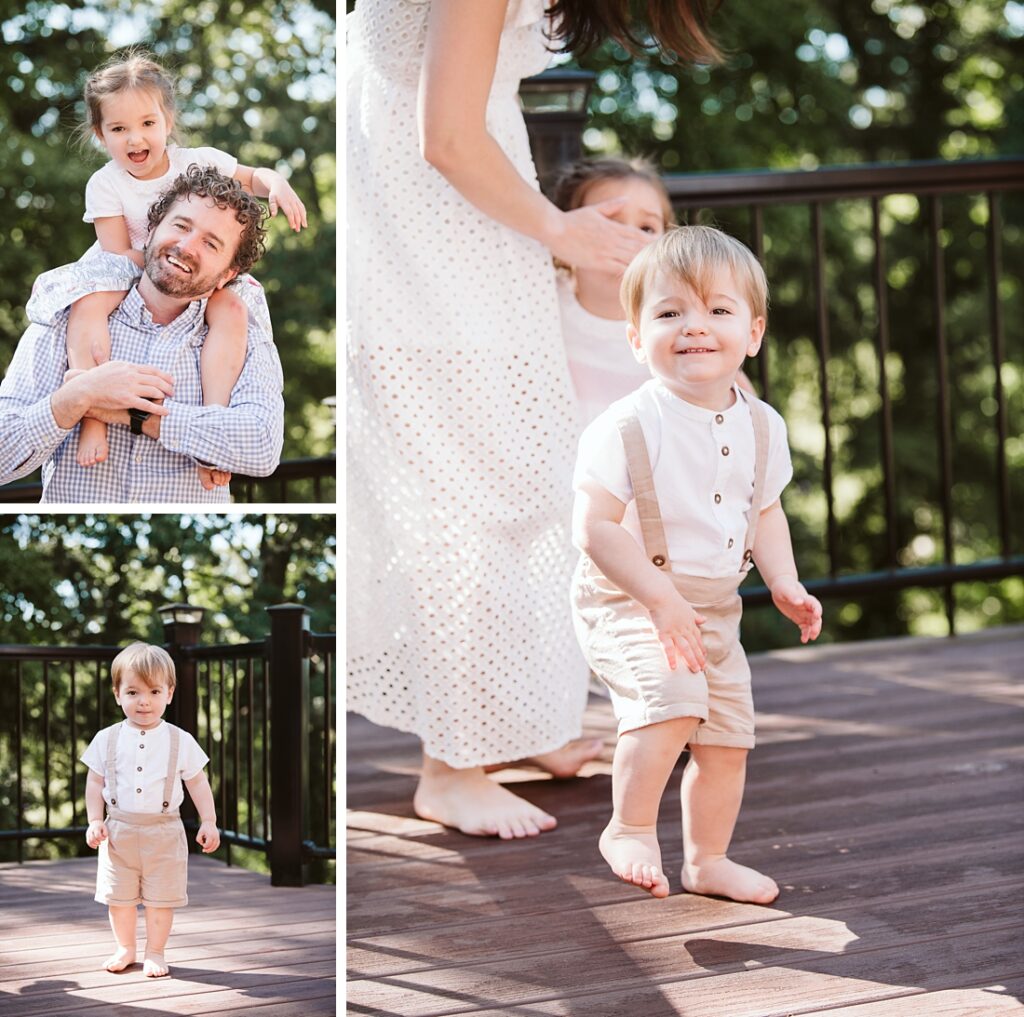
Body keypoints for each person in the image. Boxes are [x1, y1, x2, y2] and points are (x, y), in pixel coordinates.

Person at [347, 0, 721, 841]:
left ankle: (525, 724)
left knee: (528, 492)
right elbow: (444, 135)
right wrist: (561, 230)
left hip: (456, 252)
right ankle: (453, 769)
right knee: (483, 505)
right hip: (435, 263)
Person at [571, 225, 823, 899]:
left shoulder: (763, 425)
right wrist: (657, 597)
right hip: (631, 595)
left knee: (727, 740)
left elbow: (763, 512)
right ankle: (627, 825)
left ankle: (707, 859)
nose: (695, 327)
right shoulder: (626, 425)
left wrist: (784, 580)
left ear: (754, 331)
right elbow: (593, 527)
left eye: (717, 309)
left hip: (717, 605)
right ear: (635, 336)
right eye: (669, 312)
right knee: (674, 702)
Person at [66, 51, 305, 484]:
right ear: (100, 135)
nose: (135, 139)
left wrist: (278, 183)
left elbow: (253, 178)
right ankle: (93, 416)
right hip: (131, 266)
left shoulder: (197, 160)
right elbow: (116, 252)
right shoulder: (104, 183)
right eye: (119, 129)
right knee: (87, 308)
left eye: (147, 124)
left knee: (232, 312)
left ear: (167, 122)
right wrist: (166, 261)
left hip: (188, 269)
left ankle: (214, 420)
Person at [0, 164, 284, 503]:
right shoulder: (67, 316)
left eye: (211, 244)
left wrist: (130, 413)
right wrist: (80, 395)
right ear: (151, 230)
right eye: (181, 225)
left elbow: (262, 447)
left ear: (229, 273)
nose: (187, 246)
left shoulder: (244, 340)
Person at [554, 156, 756, 426]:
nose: (629, 238)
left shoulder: (677, 323)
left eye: (647, 228)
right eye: (609, 223)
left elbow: (742, 414)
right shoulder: (544, 304)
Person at [81, 642, 219, 979]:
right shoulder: (106, 738)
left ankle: (155, 951)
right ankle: (125, 947)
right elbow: (95, 783)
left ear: (169, 694)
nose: (144, 700)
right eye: (133, 691)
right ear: (118, 694)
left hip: (164, 832)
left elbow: (198, 783)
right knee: (120, 898)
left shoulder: (179, 739)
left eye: (154, 691)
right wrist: (95, 820)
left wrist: (210, 821)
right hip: (119, 832)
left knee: (161, 899)